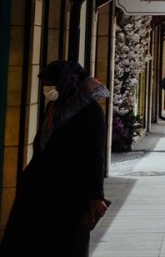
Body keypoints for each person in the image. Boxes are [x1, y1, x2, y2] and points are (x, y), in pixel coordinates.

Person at [1, 61, 110, 256]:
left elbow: (95, 156)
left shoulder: (89, 112)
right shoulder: (55, 107)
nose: (47, 88)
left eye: (51, 83)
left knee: (65, 242)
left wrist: (96, 195)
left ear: (66, 82)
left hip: (70, 193)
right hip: (42, 188)